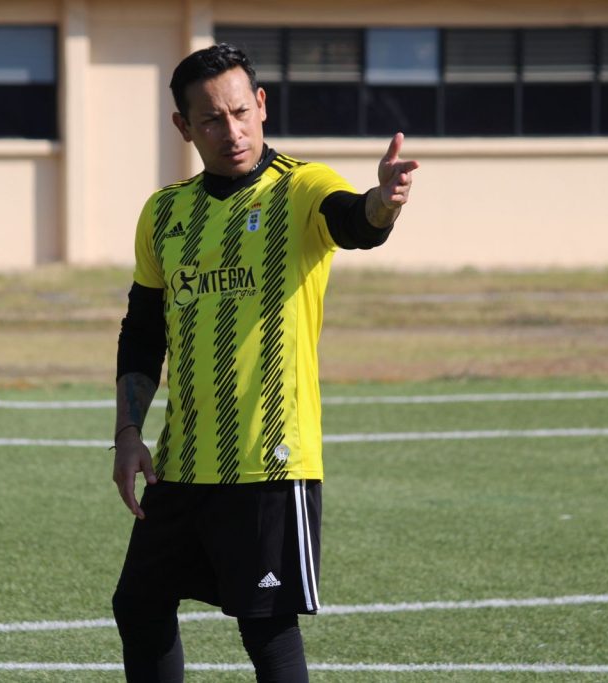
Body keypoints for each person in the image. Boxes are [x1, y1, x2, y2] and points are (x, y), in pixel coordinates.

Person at [111, 43, 419, 682]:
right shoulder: (164, 212)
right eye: (211, 120)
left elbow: (355, 221)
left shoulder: (302, 188)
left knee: (266, 628)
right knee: (138, 604)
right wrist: (128, 433)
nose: (231, 132)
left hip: (269, 462)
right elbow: (142, 331)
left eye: (240, 113)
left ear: (261, 105)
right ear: (183, 127)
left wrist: (383, 200)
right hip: (183, 460)